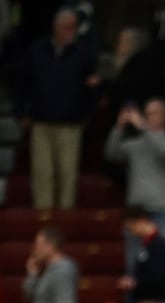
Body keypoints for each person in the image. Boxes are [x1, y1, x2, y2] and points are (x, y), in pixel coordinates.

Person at [16, 10, 98, 210]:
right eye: (66, 27)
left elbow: (92, 87)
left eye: (73, 28)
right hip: (41, 120)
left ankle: (65, 214)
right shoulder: (36, 51)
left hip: (71, 122)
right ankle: (42, 213)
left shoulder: (83, 54)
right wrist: (22, 112)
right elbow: (22, 83)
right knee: (42, 171)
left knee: (67, 171)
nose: (70, 32)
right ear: (56, 28)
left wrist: (87, 114)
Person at [105, 100, 165, 241]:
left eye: (154, 113)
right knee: (135, 261)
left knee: (161, 259)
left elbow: (164, 152)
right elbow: (112, 153)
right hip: (137, 213)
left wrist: (143, 127)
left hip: (162, 212)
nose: (149, 117)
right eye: (146, 113)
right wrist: (119, 127)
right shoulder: (135, 144)